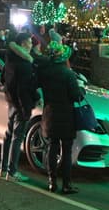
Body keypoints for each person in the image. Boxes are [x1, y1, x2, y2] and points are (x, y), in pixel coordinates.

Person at [35, 42, 83, 194]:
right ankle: (66, 184)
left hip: (50, 113)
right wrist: (81, 89)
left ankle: (52, 182)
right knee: (66, 150)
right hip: (66, 115)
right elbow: (76, 96)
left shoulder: (44, 72)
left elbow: (35, 86)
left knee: (52, 147)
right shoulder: (68, 74)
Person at [0, 32, 38, 183]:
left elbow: (3, 79)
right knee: (17, 137)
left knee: (9, 135)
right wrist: (26, 109)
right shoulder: (25, 65)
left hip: (11, 103)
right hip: (21, 106)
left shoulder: (10, 61)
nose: (31, 45)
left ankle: (3, 168)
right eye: (29, 42)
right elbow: (24, 91)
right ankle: (12, 171)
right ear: (22, 44)